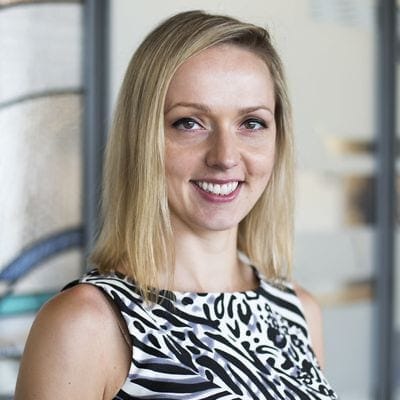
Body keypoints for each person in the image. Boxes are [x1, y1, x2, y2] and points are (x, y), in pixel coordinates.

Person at [15, 10, 338, 399]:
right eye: (190, 123)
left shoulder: (299, 312)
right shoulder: (84, 325)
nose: (225, 156)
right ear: (142, 138)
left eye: (251, 123)